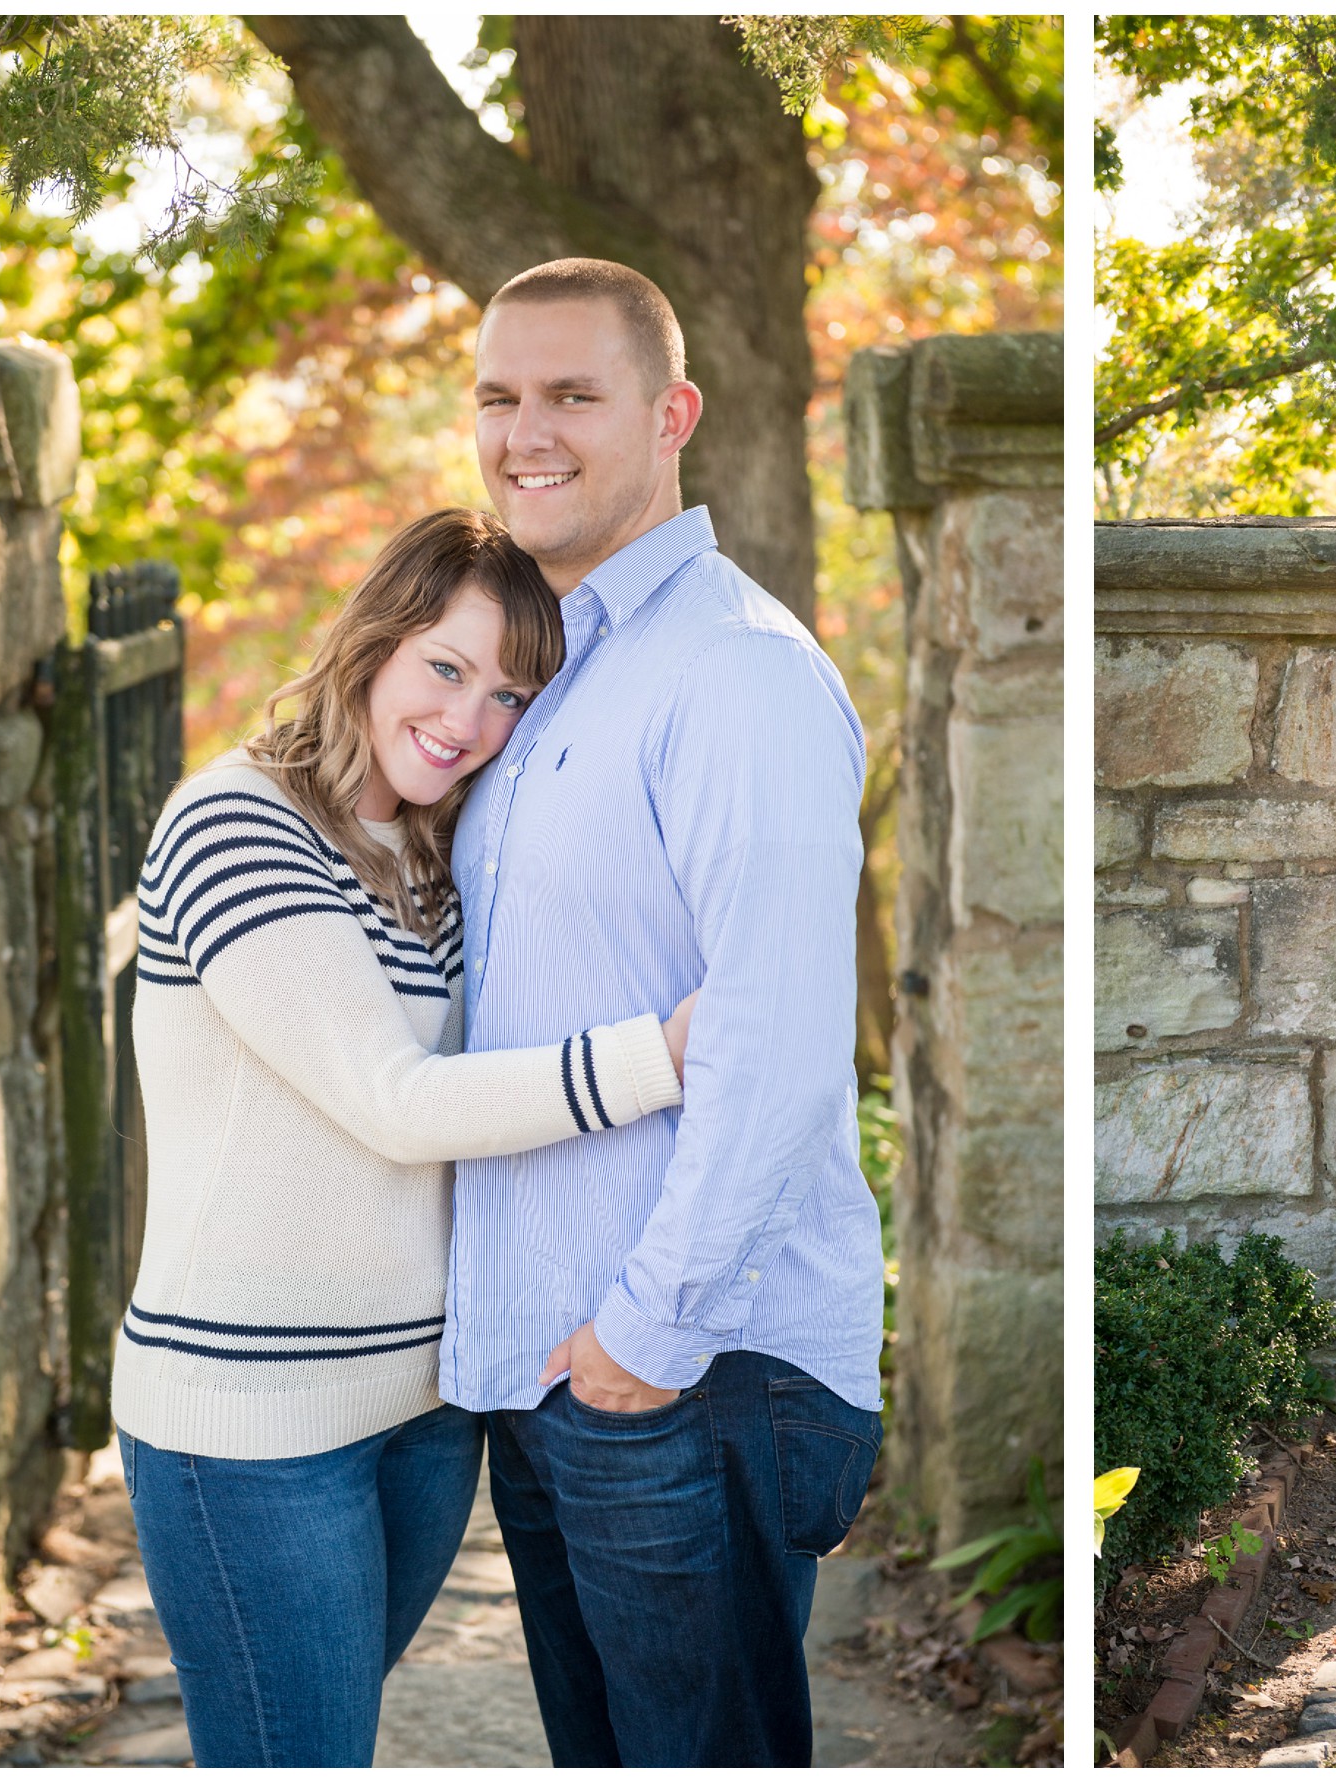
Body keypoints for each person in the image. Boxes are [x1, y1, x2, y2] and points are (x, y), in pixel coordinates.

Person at [114, 508, 697, 1767]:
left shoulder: (433, 845)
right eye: (447, 667)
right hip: (252, 1421)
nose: (470, 719)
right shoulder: (235, 821)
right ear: (375, 641)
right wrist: (660, 1055)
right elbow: (396, 1100)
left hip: (424, 1409)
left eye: (510, 694)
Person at [445, 258, 884, 1767]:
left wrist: (645, 1336)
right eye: (499, 396)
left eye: (573, 392)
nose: (527, 432)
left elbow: (775, 1039)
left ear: (672, 412)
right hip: (570, 1379)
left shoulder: (734, 671)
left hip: (693, 1367)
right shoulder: (538, 675)